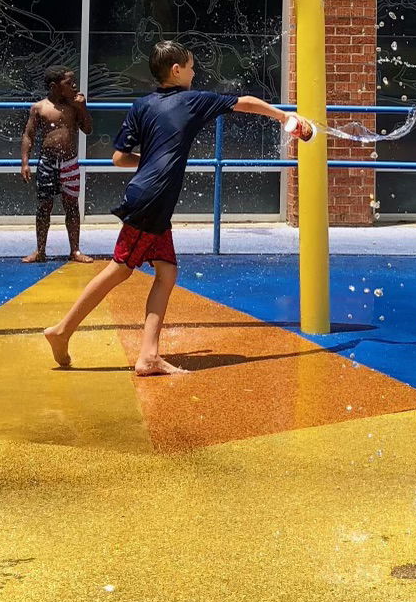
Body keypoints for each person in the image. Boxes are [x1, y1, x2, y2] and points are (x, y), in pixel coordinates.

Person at [43, 40, 311, 375]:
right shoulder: (193, 101)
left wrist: (153, 161)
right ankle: (62, 330)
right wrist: (284, 115)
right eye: (191, 66)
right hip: (153, 200)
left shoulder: (142, 105)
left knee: (166, 272)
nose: (194, 72)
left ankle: (148, 355)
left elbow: (119, 158)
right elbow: (245, 103)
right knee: (120, 269)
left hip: (147, 196)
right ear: (176, 71)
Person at [21, 65, 93, 264]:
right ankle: (40, 250)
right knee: (44, 206)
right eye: (69, 84)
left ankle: (75, 250)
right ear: (54, 86)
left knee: (72, 206)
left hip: (69, 162)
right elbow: (29, 135)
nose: (74, 86)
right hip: (47, 162)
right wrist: (25, 162)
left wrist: (83, 108)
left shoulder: (74, 106)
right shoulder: (39, 107)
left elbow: (87, 129)